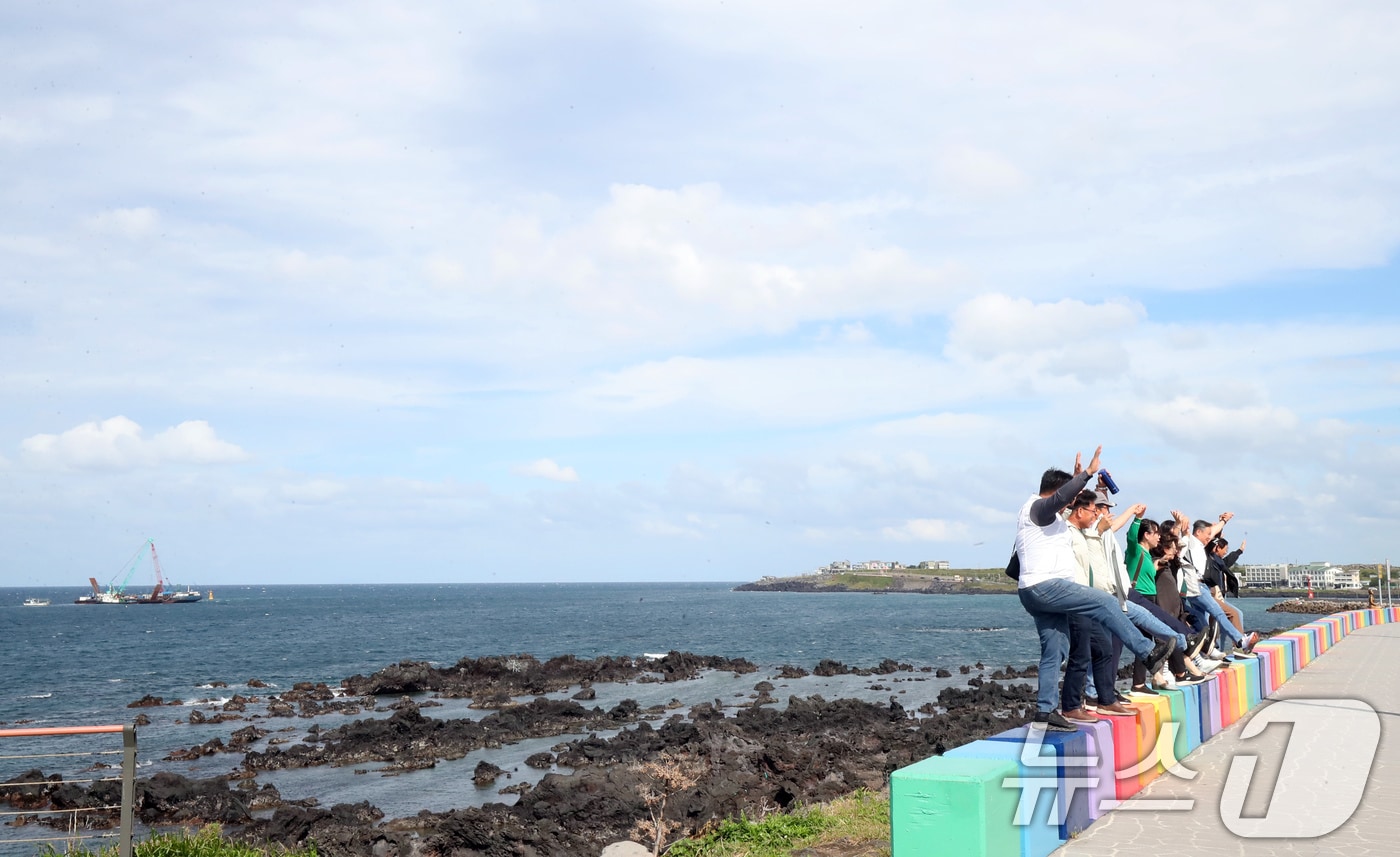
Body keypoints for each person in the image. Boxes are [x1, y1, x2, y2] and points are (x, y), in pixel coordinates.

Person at [1015, 447, 1174, 731]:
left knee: (1055, 650)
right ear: (1055, 492)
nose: (1071, 504)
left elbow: (1073, 507)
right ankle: (1147, 651)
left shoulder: (1053, 520)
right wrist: (1086, 474)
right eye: (1068, 498)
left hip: (1038, 593)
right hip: (1045, 586)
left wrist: (1083, 482)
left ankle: (1045, 712)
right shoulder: (1036, 509)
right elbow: (1061, 498)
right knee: (1105, 603)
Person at [1176, 511, 1258, 655]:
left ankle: (1205, 650)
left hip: (1200, 587)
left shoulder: (1201, 545)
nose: (1210, 538)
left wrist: (1224, 521)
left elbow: (1214, 530)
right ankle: (1240, 641)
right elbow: (1184, 535)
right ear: (1198, 532)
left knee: (1201, 621)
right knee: (1218, 612)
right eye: (1207, 534)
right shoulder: (1191, 542)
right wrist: (1183, 524)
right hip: (1196, 586)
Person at [1206, 537, 1244, 633]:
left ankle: (1237, 642)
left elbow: (1229, 560)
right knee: (1217, 621)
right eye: (1225, 549)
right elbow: (1209, 546)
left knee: (1237, 614)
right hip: (1212, 595)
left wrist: (1239, 551)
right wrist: (1218, 534)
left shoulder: (1220, 562)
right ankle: (1239, 642)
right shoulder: (1211, 559)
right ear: (1218, 548)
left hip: (1220, 596)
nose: (1226, 552)